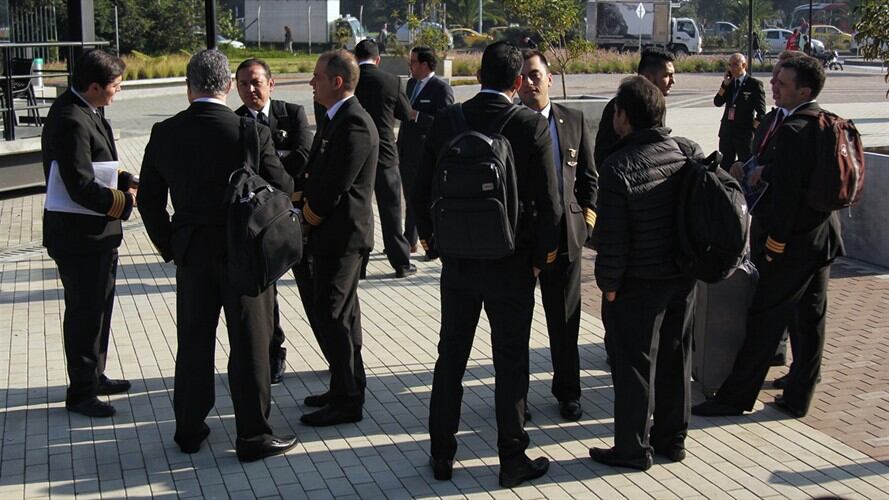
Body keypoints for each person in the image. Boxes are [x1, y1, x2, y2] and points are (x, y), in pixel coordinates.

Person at [137, 49, 297, 462]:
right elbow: (281, 185)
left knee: (193, 340)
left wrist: (169, 243)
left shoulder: (163, 131)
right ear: (228, 85)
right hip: (243, 248)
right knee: (250, 341)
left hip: (191, 251)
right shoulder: (249, 132)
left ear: (188, 86)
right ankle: (253, 435)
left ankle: (189, 429)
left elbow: (150, 200)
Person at [414, 41, 561, 488]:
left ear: (478, 76)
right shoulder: (530, 126)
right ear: (518, 82)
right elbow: (552, 207)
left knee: (450, 359)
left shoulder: (449, 120)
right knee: (511, 363)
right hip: (512, 263)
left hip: (458, 263)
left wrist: (432, 242)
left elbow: (420, 187)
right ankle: (511, 459)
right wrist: (541, 261)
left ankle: (441, 455)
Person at [692, 54, 844, 419]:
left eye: (782, 83)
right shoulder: (792, 121)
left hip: (792, 240)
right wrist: (755, 167)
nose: (773, 85)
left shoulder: (799, 129)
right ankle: (798, 393)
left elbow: (789, 196)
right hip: (820, 238)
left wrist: (774, 243)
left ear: (804, 91)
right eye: (774, 79)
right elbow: (788, 170)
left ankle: (735, 397)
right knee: (808, 316)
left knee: (765, 317)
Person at [590, 76, 702, 471]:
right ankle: (673, 439)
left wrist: (609, 286)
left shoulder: (617, 166)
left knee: (634, 365)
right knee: (675, 357)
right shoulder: (684, 152)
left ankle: (632, 448)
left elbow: (613, 240)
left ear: (624, 117)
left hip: (639, 284)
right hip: (681, 278)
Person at [41, 49, 134, 418]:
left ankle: (94, 373)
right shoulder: (70, 119)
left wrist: (127, 180)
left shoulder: (87, 109)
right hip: (79, 238)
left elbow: (100, 166)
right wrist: (124, 203)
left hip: (97, 235)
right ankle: (81, 392)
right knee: (85, 313)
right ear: (94, 86)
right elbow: (79, 184)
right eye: (114, 86)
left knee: (99, 309)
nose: (118, 91)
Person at [299, 49, 379, 426]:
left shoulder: (355, 123)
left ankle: (348, 401)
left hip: (344, 236)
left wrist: (306, 220)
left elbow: (334, 185)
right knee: (343, 316)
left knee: (332, 314)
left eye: (317, 77)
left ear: (337, 81)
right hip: (332, 235)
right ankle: (345, 385)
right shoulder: (335, 118)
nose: (311, 83)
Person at [517, 49, 597, 422]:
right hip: (523, 242)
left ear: (549, 79)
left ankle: (568, 392)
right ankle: (516, 399)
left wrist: (585, 225)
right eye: (523, 77)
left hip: (566, 241)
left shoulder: (573, 120)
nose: (530, 82)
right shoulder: (509, 123)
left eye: (536, 75)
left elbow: (588, 179)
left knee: (565, 324)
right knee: (515, 324)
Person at [234, 58, 314, 385]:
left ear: (271, 83)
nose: (250, 90)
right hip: (259, 222)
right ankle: (273, 353)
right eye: (242, 84)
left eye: (255, 82)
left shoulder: (291, 113)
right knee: (267, 292)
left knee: (313, 287)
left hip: (296, 216)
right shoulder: (235, 122)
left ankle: (337, 356)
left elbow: (303, 157)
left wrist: (269, 161)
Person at [353, 39, 416, 278]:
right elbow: (406, 114)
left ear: (355, 57)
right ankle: (401, 263)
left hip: (357, 155)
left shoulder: (351, 80)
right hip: (386, 155)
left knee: (361, 212)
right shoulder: (391, 81)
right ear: (378, 59)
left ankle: (360, 265)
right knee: (391, 212)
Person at [396, 46, 454, 255]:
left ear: (425, 64)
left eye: (413, 62)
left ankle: (424, 239)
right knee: (409, 195)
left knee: (421, 197)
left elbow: (445, 122)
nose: (410, 66)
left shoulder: (441, 89)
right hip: (406, 149)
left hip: (425, 151)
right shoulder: (410, 84)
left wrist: (418, 116)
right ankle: (409, 239)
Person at [594, 47, 675, 169]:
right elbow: (602, 156)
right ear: (648, 77)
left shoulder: (659, 106)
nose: (673, 81)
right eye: (667, 75)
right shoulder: (620, 106)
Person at [714, 53, 766, 169]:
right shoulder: (729, 83)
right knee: (725, 166)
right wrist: (724, 85)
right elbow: (717, 102)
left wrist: (751, 129)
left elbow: (761, 113)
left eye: (735, 65)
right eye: (730, 65)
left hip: (744, 135)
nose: (732, 68)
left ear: (744, 65)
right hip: (727, 132)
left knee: (746, 166)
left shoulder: (754, 84)